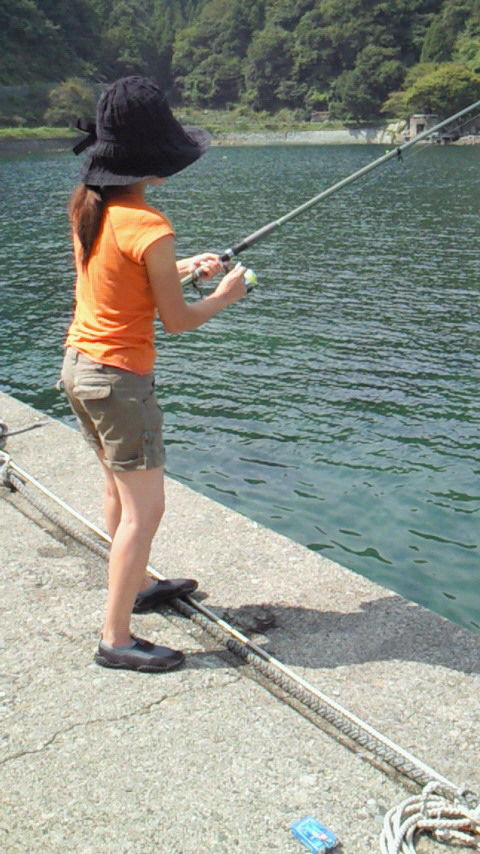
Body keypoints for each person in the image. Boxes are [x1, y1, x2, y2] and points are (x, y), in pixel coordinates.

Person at [61, 76, 246, 673]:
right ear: (154, 162)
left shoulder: (90, 206)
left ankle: (137, 584)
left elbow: (123, 285)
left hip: (80, 369)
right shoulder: (151, 226)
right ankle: (116, 637)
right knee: (145, 511)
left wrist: (186, 266)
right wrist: (225, 293)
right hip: (119, 383)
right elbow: (178, 321)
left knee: (117, 490)